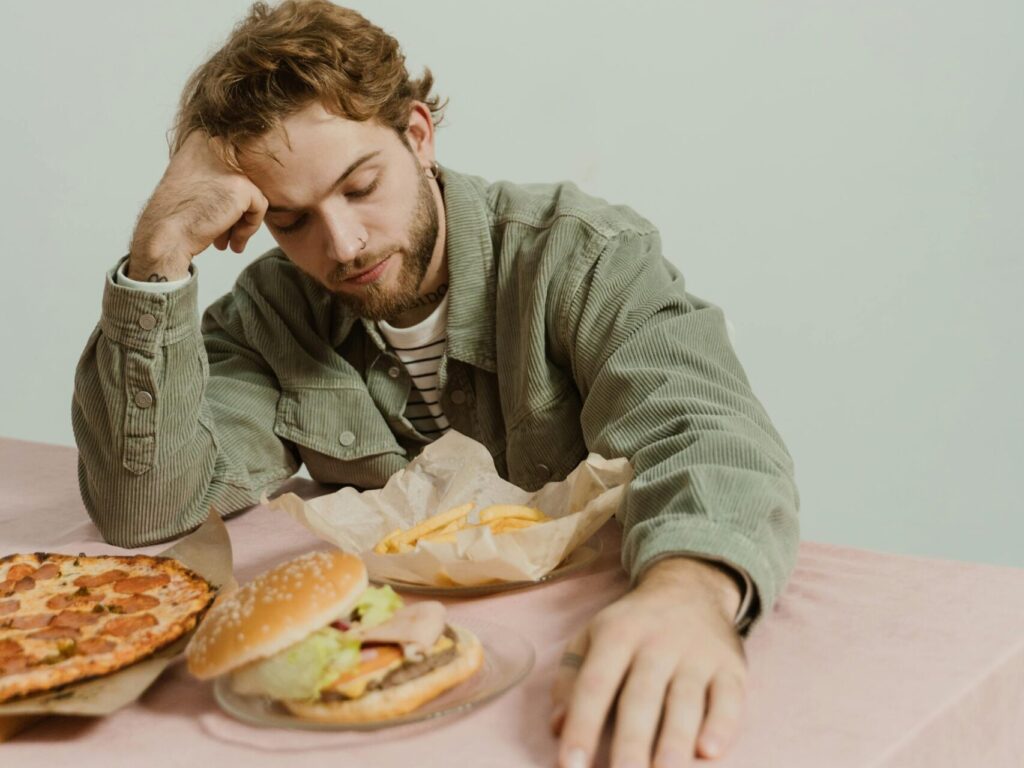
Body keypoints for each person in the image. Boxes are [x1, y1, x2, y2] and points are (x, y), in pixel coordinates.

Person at [72, 2, 799, 765]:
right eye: (292, 222)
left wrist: (689, 592)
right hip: (381, 701)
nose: (342, 246)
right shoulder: (270, 314)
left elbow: (704, 432)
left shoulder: (581, 257)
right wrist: (157, 259)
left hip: (580, 674)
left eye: (360, 187)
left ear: (417, 135)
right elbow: (144, 511)